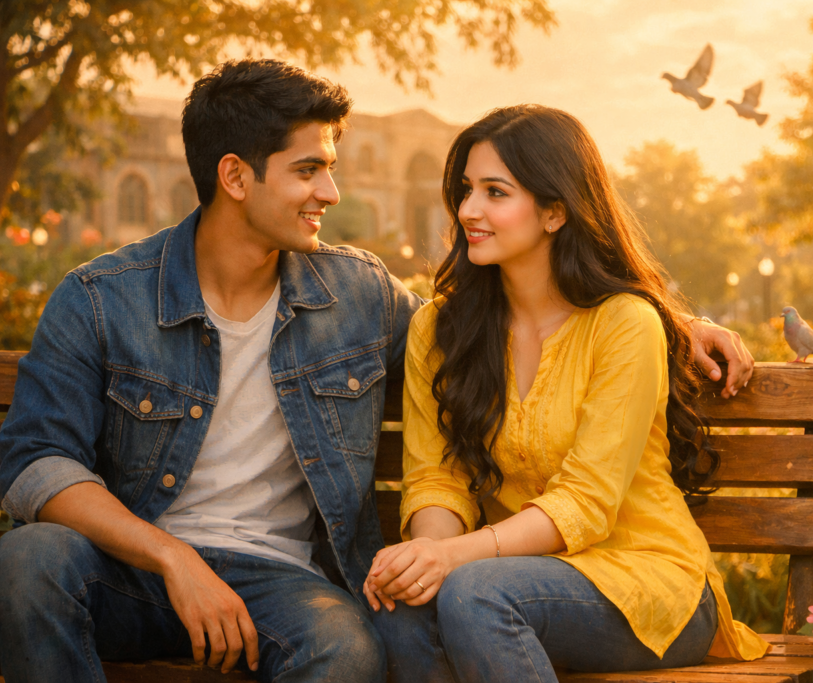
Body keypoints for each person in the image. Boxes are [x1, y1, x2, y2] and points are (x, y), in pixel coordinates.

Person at [0, 59, 423, 682]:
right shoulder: (101, 298)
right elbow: (36, 461)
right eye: (308, 170)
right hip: (131, 570)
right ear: (235, 176)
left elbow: (465, 351)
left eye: (329, 169)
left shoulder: (360, 294)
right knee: (26, 562)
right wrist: (174, 558)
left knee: (345, 647)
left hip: (283, 586)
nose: (330, 193)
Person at [364, 105, 769, 683]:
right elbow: (437, 477)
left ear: (555, 211)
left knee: (476, 594)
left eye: (495, 192)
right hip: (507, 581)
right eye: (466, 189)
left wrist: (453, 559)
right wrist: (427, 560)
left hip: (648, 585)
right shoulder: (440, 328)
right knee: (401, 605)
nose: (469, 210)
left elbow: (586, 503)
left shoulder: (624, 324)